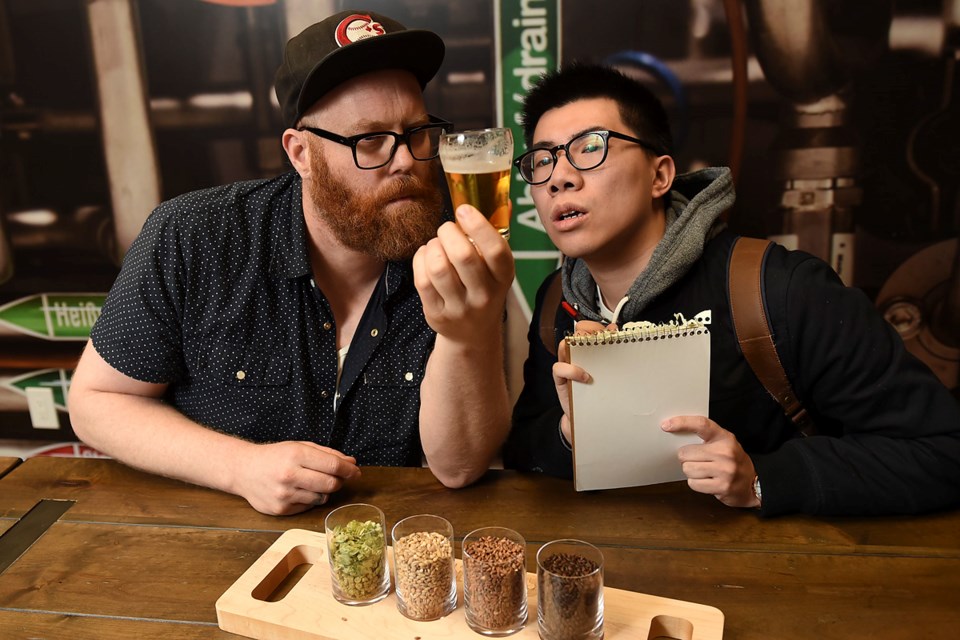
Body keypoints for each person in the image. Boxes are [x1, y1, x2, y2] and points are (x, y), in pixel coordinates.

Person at [68, 10, 514, 516]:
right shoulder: (194, 235)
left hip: (396, 556)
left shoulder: (457, 248)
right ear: (300, 153)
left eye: (416, 132)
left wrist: (466, 333)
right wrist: (239, 467)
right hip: (214, 550)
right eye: (369, 139)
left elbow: (460, 466)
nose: (407, 159)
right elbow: (94, 401)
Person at [503, 63, 960, 516]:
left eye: (590, 148)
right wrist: (569, 433)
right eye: (543, 160)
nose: (560, 177)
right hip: (616, 576)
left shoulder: (778, 290)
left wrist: (762, 479)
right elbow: (524, 449)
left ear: (659, 176)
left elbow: (942, 451)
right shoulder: (554, 306)